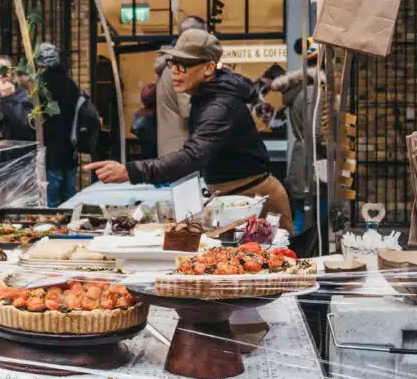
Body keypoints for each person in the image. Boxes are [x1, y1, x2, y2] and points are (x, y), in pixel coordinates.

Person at [87, 30, 293, 231]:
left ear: (208, 68)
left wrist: (130, 171)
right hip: (235, 198)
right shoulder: (206, 95)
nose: (175, 71)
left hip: (254, 201)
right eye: (173, 63)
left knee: (273, 262)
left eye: (184, 65)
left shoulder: (219, 106)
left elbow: (194, 155)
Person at [271, 39, 327, 233]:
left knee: (302, 218)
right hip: (313, 162)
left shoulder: (301, 90)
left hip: (303, 159)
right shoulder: (313, 92)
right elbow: (318, 132)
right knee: (312, 222)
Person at [33, 43, 79, 206]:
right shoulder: (70, 84)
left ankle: (53, 228)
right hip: (70, 149)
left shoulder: (40, 85)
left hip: (51, 151)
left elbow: (37, 120)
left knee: (50, 201)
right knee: (70, 196)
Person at [155, 15, 208, 156]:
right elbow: (188, 110)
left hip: (172, 151)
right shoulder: (180, 66)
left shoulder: (169, 63)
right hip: (182, 153)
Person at [132, 82, 159, 160]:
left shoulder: (140, 113)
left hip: (144, 151)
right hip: (155, 152)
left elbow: (134, 129)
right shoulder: (156, 114)